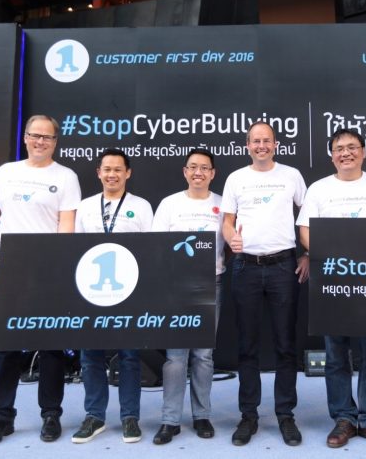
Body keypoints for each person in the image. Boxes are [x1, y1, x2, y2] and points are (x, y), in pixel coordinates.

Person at [0, 114, 81, 447]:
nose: (40, 142)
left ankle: (51, 413)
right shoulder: (6, 172)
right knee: (6, 346)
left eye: (47, 137)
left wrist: (60, 269)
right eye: (35, 135)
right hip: (7, 267)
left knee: (51, 345)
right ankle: (1, 416)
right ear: (25, 137)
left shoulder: (66, 176)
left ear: (55, 142)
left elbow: (67, 225)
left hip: (47, 271)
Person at [296, 129, 366, 450]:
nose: (346, 153)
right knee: (335, 354)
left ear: (364, 151)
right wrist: (332, 258)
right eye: (339, 148)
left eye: (352, 147)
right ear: (332, 156)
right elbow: (305, 230)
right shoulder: (319, 188)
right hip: (333, 280)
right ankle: (344, 418)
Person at [220, 121, 309, 446]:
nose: (261, 146)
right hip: (246, 266)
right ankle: (249, 416)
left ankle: (285, 415)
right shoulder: (236, 178)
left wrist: (308, 253)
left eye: (267, 140)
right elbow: (227, 221)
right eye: (256, 141)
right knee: (247, 346)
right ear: (248, 145)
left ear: (275, 144)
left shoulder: (291, 175)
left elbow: (308, 215)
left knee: (286, 344)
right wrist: (231, 238)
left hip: (283, 266)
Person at [71, 148, 153, 445]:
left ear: (127, 173)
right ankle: (94, 416)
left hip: (129, 290)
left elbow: (151, 249)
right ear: (98, 173)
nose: (112, 174)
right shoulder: (84, 207)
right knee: (90, 355)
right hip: (91, 290)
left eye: (118, 169)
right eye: (107, 169)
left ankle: (130, 417)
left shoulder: (141, 206)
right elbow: (74, 249)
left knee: (129, 356)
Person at [150, 148, 226, 444]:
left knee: (203, 355)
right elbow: (157, 246)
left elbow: (231, 241)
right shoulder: (169, 204)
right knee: (175, 357)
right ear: (185, 171)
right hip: (176, 287)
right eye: (193, 167)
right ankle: (170, 420)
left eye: (204, 168)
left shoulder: (222, 204)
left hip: (211, 283)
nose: (198, 172)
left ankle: (201, 415)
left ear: (212, 173)